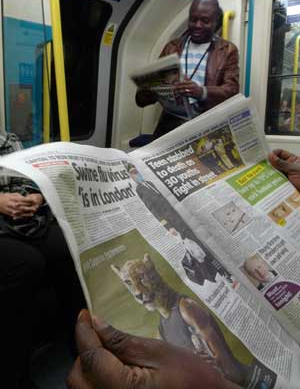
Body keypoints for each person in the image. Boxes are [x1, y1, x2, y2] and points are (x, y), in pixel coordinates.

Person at [66, 148, 300, 389]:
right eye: (131, 283)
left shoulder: (186, 307)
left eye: (143, 279)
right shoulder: (161, 328)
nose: (137, 290)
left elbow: (230, 369)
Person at [0, 131, 85, 389]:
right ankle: (12, 376)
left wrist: (37, 195)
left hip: (20, 218)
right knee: (27, 264)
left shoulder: (6, 137)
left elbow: (27, 176)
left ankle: (82, 346)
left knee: (69, 247)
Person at [136, 0, 239, 138]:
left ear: (216, 22)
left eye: (205, 21)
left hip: (206, 124)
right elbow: (143, 99)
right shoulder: (171, 47)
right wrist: (150, 90)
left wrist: (201, 92)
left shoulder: (228, 50)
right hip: (170, 124)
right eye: (193, 19)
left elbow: (232, 90)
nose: (197, 25)